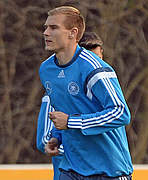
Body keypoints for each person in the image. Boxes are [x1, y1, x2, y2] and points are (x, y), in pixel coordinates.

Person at [39, 6, 133, 180]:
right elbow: (67, 109)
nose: (45, 32)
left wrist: (70, 122)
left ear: (72, 33)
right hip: (71, 169)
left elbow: (121, 113)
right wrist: (57, 138)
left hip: (107, 171)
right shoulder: (46, 69)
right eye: (45, 27)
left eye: (53, 28)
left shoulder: (94, 68)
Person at [36, 32, 107, 180]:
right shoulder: (53, 95)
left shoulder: (105, 95)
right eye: (90, 62)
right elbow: (44, 140)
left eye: (99, 60)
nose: (96, 68)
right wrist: (83, 151)